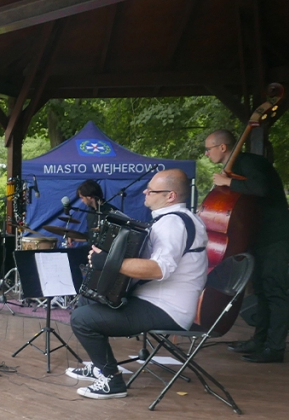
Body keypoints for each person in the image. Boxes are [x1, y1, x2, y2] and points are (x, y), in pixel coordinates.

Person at [68, 169, 208, 399]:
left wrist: (108, 261)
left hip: (167, 309)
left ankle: (112, 381)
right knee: (88, 297)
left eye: (151, 190)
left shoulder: (173, 224)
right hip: (155, 299)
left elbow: (158, 269)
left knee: (81, 319)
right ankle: (99, 365)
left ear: (170, 196)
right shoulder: (175, 220)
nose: (145, 192)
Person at [205, 129, 289, 363]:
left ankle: (275, 348)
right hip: (259, 237)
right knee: (261, 289)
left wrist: (226, 181)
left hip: (276, 236)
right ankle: (259, 341)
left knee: (274, 289)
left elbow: (261, 189)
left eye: (208, 149)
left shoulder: (250, 162)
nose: (206, 153)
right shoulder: (238, 168)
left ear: (223, 147)